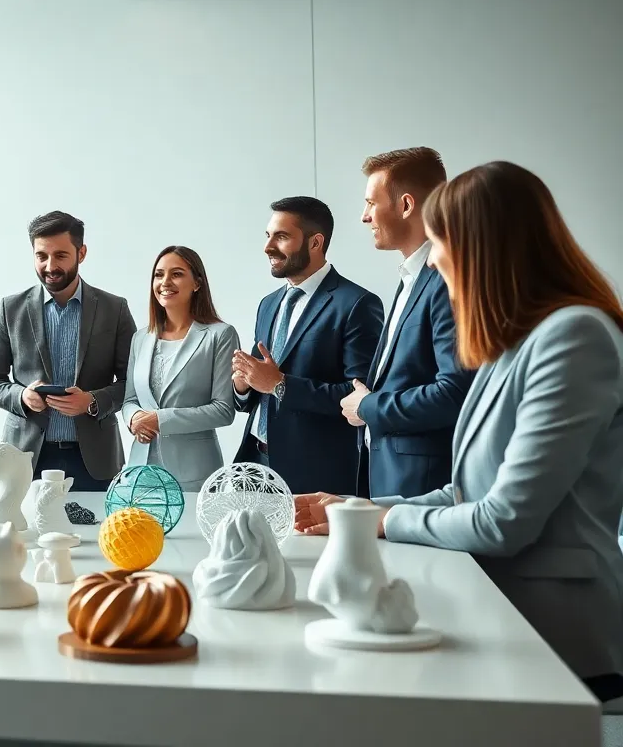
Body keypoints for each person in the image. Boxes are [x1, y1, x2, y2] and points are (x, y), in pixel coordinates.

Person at [294, 161, 623, 700]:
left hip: (558, 637)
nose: (436, 258)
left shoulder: (575, 336)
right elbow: (468, 491)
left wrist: (383, 521)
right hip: (499, 619)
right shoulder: (507, 345)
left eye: (441, 240)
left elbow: (503, 521)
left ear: (483, 246)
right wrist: (357, 508)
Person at [343, 148, 473, 499]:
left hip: (423, 487)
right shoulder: (410, 278)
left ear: (406, 205)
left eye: (371, 203)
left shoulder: (446, 279)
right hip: (389, 476)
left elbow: (455, 392)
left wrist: (368, 407)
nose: (364, 217)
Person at [231, 197, 384, 496]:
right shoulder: (269, 304)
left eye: (282, 236)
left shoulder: (357, 304)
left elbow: (360, 395)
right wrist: (243, 385)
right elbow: (256, 388)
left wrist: (281, 385)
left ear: (315, 242)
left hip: (314, 474)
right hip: (255, 465)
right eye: (268, 236)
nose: (268, 247)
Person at [0, 210, 137, 491]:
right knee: (23, 534)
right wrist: (22, 396)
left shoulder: (115, 309)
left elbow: (134, 384)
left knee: (98, 534)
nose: (50, 265)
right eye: (42, 256)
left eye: (61, 255)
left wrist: (91, 401)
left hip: (94, 459)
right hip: (25, 458)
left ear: (82, 253)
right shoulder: (10, 309)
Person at [121, 246, 239, 494]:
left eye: (176, 274)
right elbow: (130, 399)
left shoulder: (220, 335)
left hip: (194, 473)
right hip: (141, 470)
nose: (165, 282)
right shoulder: (140, 338)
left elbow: (223, 410)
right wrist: (133, 419)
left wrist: (160, 420)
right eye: (158, 274)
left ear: (197, 283)